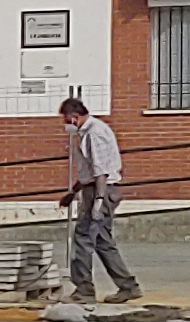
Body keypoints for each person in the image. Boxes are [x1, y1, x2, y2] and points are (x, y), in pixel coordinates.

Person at [59, 95, 139, 304]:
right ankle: (127, 286)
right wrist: (73, 191)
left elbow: (100, 171)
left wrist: (98, 201)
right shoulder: (91, 132)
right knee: (103, 242)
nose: (66, 125)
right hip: (95, 189)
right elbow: (89, 171)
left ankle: (84, 290)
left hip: (99, 191)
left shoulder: (94, 134)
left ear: (74, 117)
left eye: (67, 120)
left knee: (83, 238)